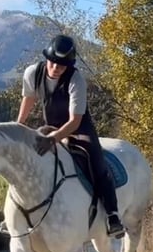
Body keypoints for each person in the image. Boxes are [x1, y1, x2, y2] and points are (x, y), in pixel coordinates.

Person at [16, 33, 126, 237]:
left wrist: (54, 139)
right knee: (23, 158)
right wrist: (19, 125)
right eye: (53, 63)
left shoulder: (76, 80)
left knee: (97, 163)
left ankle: (113, 216)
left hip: (79, 128)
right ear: (47, 58)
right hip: (50, 126)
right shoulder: (32, 73)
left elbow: (75, 121)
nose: (56, 68)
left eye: (62, 66)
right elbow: (29, 99)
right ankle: (17, 215)